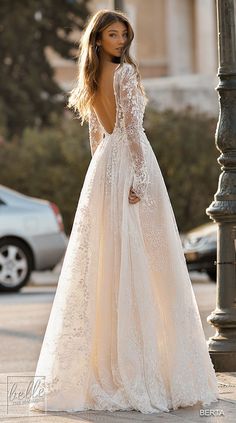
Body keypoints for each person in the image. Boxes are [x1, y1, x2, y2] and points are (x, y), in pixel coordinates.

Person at [29, 9, 219, 415]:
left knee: (109, 259)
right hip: (133, 165)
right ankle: (143, 370)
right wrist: (139, 180)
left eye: (124, 34)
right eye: (113, 34)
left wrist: (104, 175)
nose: (121, 40)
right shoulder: (126, 75)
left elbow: (97, 136)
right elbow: (132, 130)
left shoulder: (91, 77)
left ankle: (115, 364)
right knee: (150, 261)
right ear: (97, 39)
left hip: (104, 170)